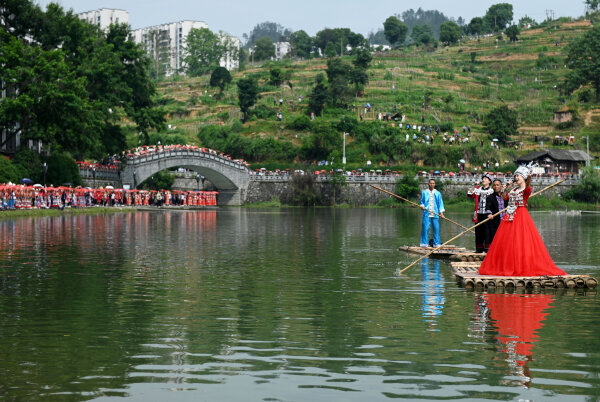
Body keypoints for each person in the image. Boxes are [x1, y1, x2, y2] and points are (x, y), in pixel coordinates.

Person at [479, 165, 567, 276]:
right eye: (515, 176)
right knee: (507, 243)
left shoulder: (526, 189)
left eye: (518, 176)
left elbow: (528, 186)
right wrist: (507, 188)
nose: (516, 178)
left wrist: (529, 178)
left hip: (520, 216)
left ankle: (522, 266)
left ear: (524, 178)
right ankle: (506, 265)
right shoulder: (514, 189)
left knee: (520, 242)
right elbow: (505, 197)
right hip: (509, 217)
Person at [468, 173, 494, 253]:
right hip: (478, 213)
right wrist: (474, 185)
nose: (483, 180)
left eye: (486, 179)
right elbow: (470, 194)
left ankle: (487, 249)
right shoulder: (477, 190)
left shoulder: (492, 191)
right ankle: (479, 249)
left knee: (487, 232)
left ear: (489, 181)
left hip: (487, 214)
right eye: (483, 178)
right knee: (478, 231)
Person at [419, 179, 445, 247]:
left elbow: (440, 204)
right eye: (430, 183)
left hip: (435, 213)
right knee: (425, 228)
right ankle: (424, 244)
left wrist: (441, 213)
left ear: (435, 184)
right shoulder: (424, 192)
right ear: (428, 184)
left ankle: (437, 244)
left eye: (433, 183)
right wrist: (422, 206)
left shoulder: (438, 193)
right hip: (426, 213)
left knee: (436, 229)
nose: (432, 184)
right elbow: (422, 202)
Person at [485, 178, 505, 244]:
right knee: (495, 239)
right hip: (495, 222)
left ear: (501, 186)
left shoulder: (505, 196)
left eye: (497, 185)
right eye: (494, 185)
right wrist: (489, 214)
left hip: (505, 222)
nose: (496, 187)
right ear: (492, 187)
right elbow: (487, 207)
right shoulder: (490, 197)